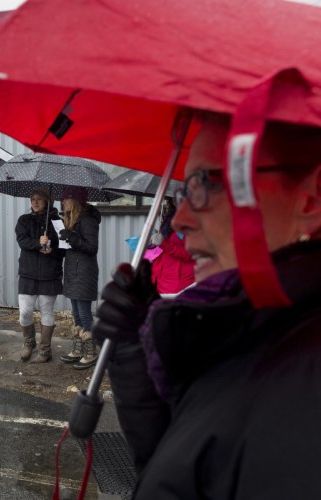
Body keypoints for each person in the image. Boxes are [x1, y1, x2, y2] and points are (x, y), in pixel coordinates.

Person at [92, 111, 321, 497]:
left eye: (207, 184)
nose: (179, 219)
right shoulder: (255, 331)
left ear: (312, 198)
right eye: (184, 190)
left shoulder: (306, 386)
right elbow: (185, 472)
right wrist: (133, 351)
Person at [15, 188, 65, 363]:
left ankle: (45, 350)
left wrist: (53, 250)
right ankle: (29, 343)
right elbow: (22, 241)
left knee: (46, 311)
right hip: (28, 272)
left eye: (39, 199)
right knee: (25, 312)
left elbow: (64, 248)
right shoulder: (24, 220)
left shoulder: (58, 222)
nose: (35, 202)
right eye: (32, 199)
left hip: (49, 273)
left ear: (47, 202)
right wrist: (38, 242)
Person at [57, 187, 101, 370]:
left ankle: (91, 352)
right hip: (73, 270)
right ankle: (78, 349)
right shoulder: (72, 220)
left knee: (84, 313)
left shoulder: (88, 220)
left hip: (84, 272)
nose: (63, 202)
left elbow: (92, 248)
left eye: (66, 199)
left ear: (75, 200)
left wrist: (72, 237)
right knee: (76, 313)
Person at [149, 198, 195, 294]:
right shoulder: (170, 219)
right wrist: (151, 245)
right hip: (161, 281)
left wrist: (163, 243)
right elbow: (163, 251)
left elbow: (189, 253)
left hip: (180, 285)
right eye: (175, 198)